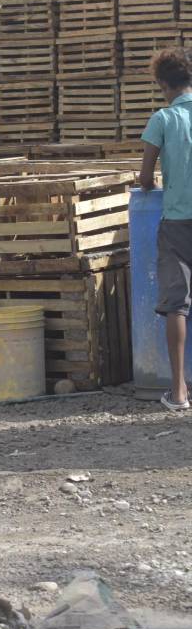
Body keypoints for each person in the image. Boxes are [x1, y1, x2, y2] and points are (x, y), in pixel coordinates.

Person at [140, 48, 192, 412]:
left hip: (177, 221)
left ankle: (178, 393)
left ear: (162, 83)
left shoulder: (163, 118)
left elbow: (145, 178)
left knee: (177, 305)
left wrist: (150, 181)